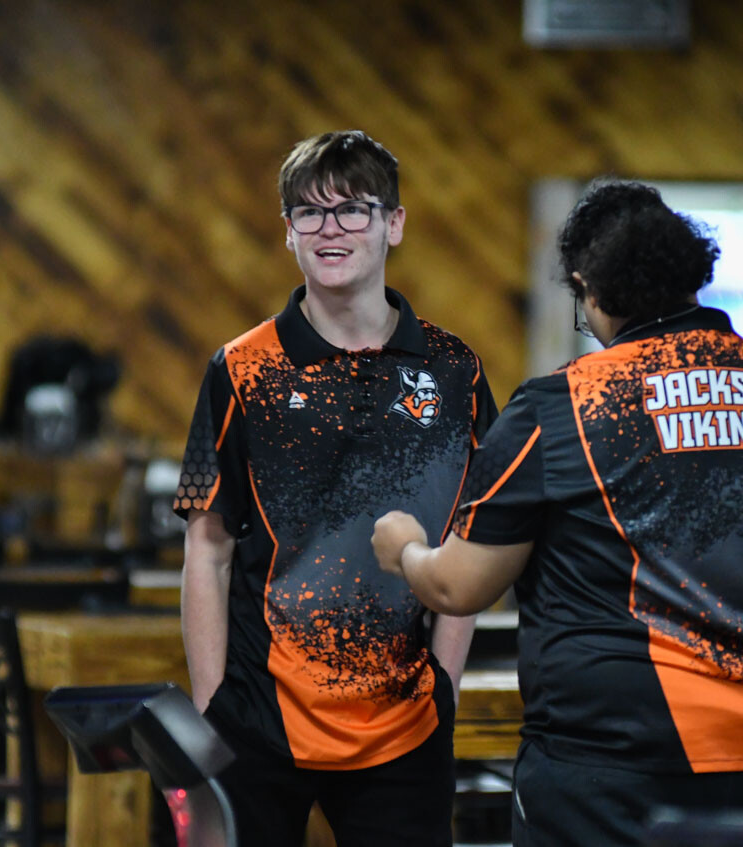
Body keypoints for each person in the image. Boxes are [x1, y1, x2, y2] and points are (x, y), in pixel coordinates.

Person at [372, 180, 743, 847]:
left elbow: (458, 586)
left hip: (613, 772)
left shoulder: (562, 405)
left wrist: (405, 547)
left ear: (590, 289)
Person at [172, 130, 496, 846]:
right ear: (288, 232)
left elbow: (472, 537)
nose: (330, 228)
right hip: (258, 718)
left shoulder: (456, 371)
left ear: (393, 224)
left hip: (406, 723)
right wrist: (213, 703)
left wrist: (444, 685)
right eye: (309, 213)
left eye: (353, 209)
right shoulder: (239, 368)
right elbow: (207, 545)